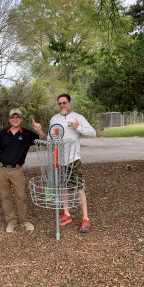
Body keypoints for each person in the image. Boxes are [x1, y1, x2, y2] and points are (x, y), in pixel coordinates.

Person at [0, 108, 46, 233]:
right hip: (2, 169)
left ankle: (24, 220)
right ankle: (11, 221)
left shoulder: (27, 134)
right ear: (9, 119)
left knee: (21, 196)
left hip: (17, 170)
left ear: (21, 119)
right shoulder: (3, 133)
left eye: (18, 117)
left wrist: (39, 130)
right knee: (5, 196)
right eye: (13, 117)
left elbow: (43, 140)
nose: (15, 119)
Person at [49, 93, 96, 233]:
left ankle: (85, 218)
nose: (62, 105)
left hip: (72, 160)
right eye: (59, 103)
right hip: (59, 160)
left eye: (64, 102)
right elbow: (51, 137)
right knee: (63, 187)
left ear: (69, 103)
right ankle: (67, 214)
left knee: (78, 188)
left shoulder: (78, 118)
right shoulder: (54, 119)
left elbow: (93, 132)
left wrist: (78, 128)